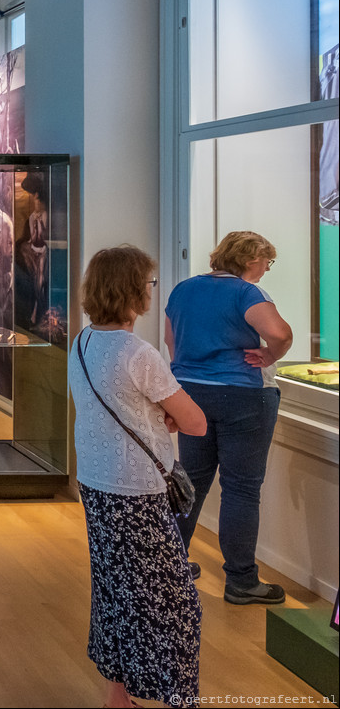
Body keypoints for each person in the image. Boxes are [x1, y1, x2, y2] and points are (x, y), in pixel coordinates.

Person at [69, 245, 207, 709]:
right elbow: (195, 422)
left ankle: (118, 695)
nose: (152, 290)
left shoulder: (82, 342)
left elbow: (123, 406)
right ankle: (177, 698)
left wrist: (157, 414)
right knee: (176, 606)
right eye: (148, 283)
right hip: (136, 489)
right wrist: (166, 415)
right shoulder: (138, 352)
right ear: (132, 289)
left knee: (115, 590)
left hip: (95, 479)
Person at [165, 230, 293, 604]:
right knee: (240, 488)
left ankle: (171, 566)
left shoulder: (183, 289)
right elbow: (279, 333)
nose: (267, 268)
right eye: (267, 261)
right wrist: (272, 355)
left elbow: (173, 344)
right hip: (243, 396)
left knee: (191, 482)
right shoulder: (246, 292)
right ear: (252, 260)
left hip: (191, 393)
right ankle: (241, 580)